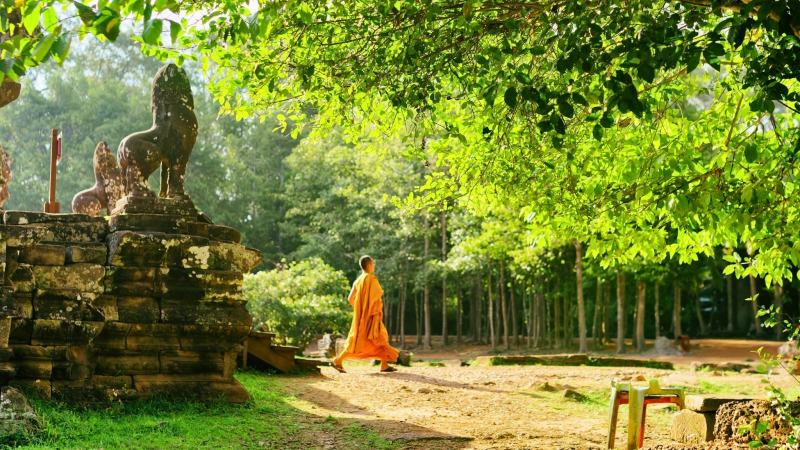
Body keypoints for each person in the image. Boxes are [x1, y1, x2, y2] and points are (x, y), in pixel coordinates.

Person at [332, 255, 399, 373]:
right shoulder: (371, 279)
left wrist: (360, 311)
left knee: (365, 339)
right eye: (373, 263)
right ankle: (338, 360)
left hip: (363, 317)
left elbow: (350, 298)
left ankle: (384, 365)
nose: (374, 266)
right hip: (372, 316)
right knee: (379, 337)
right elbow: (376, 298)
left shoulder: (357, 280)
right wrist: (369, 311)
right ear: (369, 265)